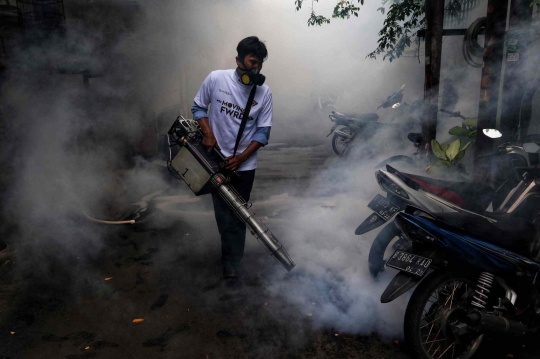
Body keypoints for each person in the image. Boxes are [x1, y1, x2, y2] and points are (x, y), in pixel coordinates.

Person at [191, 36, 272, 279]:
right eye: (252, 61)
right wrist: (207, 133)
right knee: (223, 215)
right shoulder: (217, 78)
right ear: (238, 60)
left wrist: (241, 158)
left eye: (260, 63)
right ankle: (230, 255)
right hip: (214, 161)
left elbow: (263, 132)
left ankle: (232, 265)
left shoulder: (264, 93)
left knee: (238, 216)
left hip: (244, 167)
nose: (256, 68)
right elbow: (198, 107)